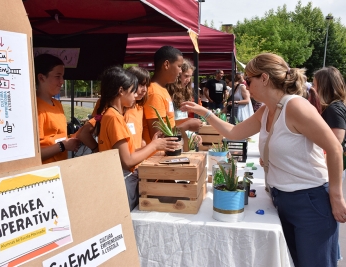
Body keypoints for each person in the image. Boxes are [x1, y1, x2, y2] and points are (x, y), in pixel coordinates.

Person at [180, 53, 346, 267]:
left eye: (248, 80)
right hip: (284, 199)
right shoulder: (268, 110)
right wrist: (205, 112)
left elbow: (333, 148)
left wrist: (336, 195)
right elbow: (234, 132)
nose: (245, 86)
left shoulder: (295, 106)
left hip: (310, 201)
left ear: (265, 78)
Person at [94, 66, 178, 211]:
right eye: (133, 90)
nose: (136, 94)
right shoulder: (114, 118)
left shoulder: (111, 115)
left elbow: (126, 153)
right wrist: (155, 146)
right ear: (121, 91)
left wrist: (152, 143)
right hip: (122, 181)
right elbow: (127, 161)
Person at [313, 66, 346, 265]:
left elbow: (335, 145)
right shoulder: (335, 106)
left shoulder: (334, 109)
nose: (314, 89)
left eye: (316, 85)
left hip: (329, 171)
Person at [78, 66, 151, 153]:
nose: (145, 90)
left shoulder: (139, 108)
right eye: (141, 85)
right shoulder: (111, 112)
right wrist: (96, 149)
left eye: (146, 85)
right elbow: (85, 132)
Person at [143, 46, 202, 144]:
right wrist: (185, 126)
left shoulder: (162, 89)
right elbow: (157, 135)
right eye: (179, 66)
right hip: (157, 155)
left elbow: (169, 124)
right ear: (166, 65)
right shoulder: (154, 92)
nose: (180, 71)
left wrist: (185, 122)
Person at [35, 54, 80, 164]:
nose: (62, 81)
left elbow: (59, 136)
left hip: (60, 168)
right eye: (57, 76)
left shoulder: (57, 104)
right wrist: (63, 145)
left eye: (62, 76)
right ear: (41, 77)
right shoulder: (36, 108)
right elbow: (34, 154)